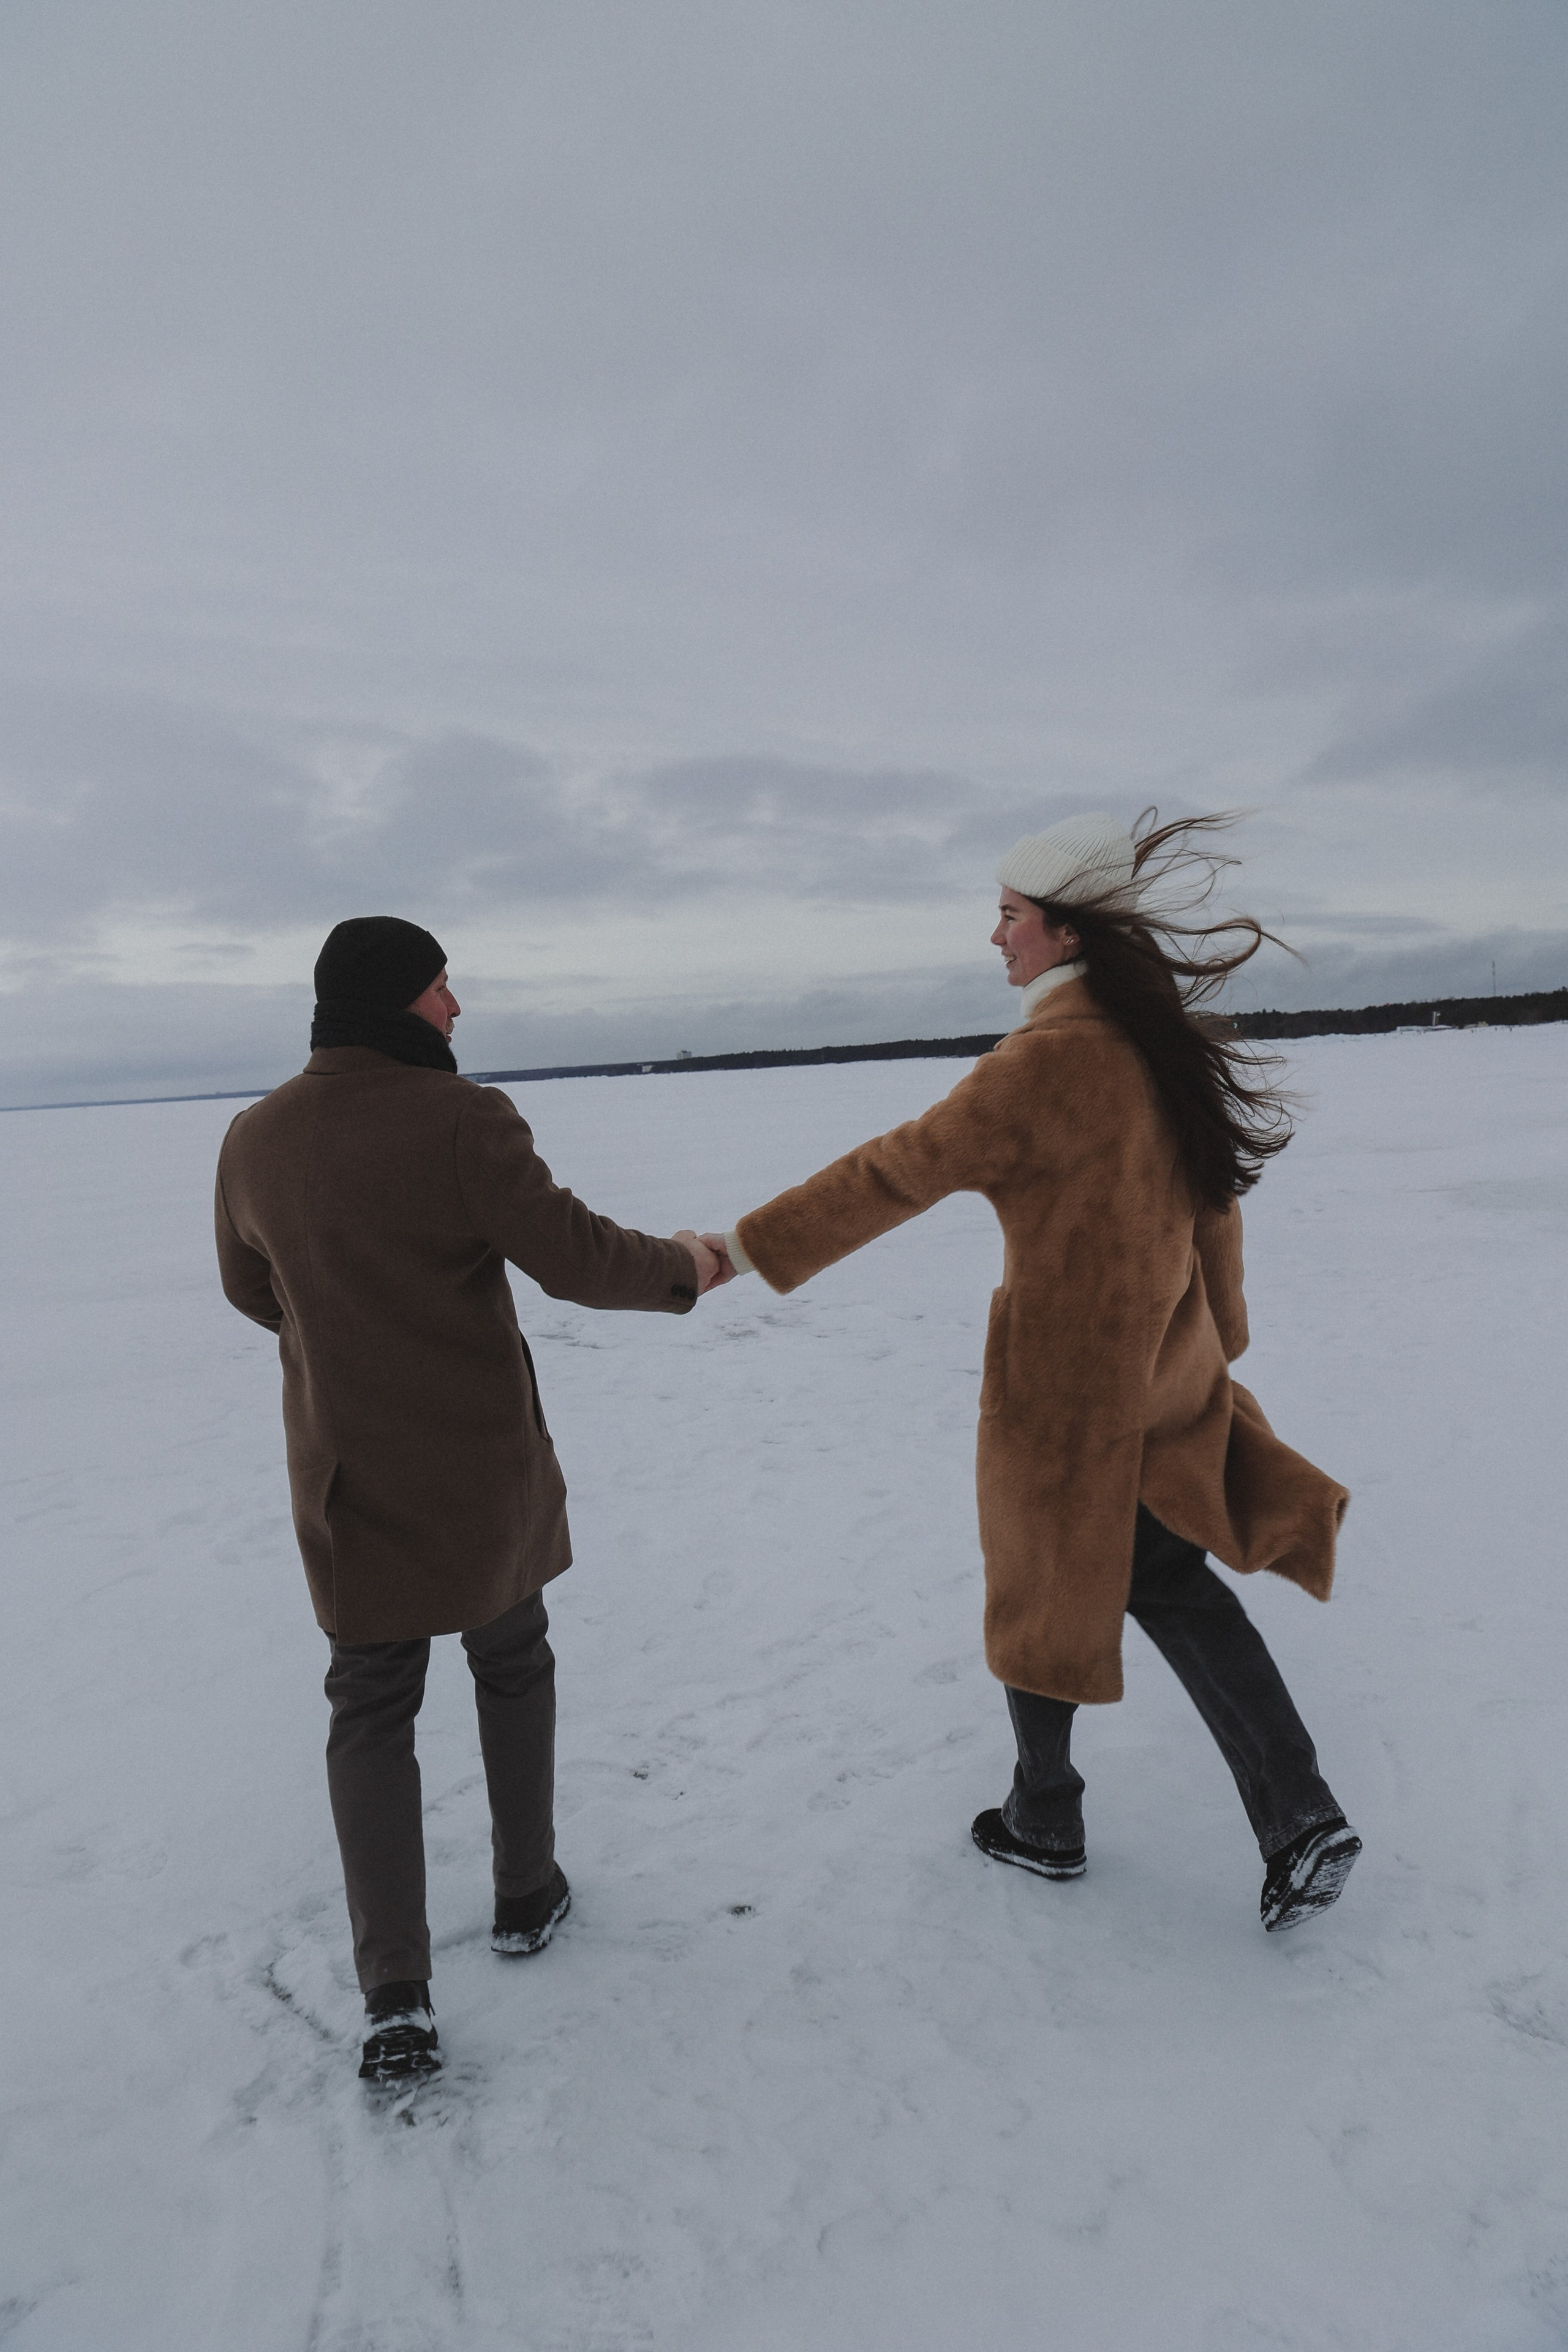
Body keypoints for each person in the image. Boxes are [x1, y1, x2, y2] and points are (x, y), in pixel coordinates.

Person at [703, 812, 1360, 1934]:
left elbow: (894, 1171)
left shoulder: (1045, 1065)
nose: (995, 936)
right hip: (1163, 1369)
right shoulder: (1161, 1049)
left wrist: (743, 1248)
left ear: (1068, 932)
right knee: (1156, 1580)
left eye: (1010, 916)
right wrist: (1222, 1339)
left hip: (1061, 1390)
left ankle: (1078, 1817)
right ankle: (1233, 1811)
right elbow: (1218, 1207)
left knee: (1045, 1585)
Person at [216, 916, 725, 2083]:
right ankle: (525, 1892)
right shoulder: (462, 1118)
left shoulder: (253, 1137)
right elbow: (578, 1257)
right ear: (395, 1000)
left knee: (370, 1704)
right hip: (478, 1465)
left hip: (346, 1471)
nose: (456, 1008)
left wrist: (345, 1334)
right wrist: (686, 1267)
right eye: (441, 988)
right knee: (512, 1657)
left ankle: (394, 1991)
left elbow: (251, 1290)